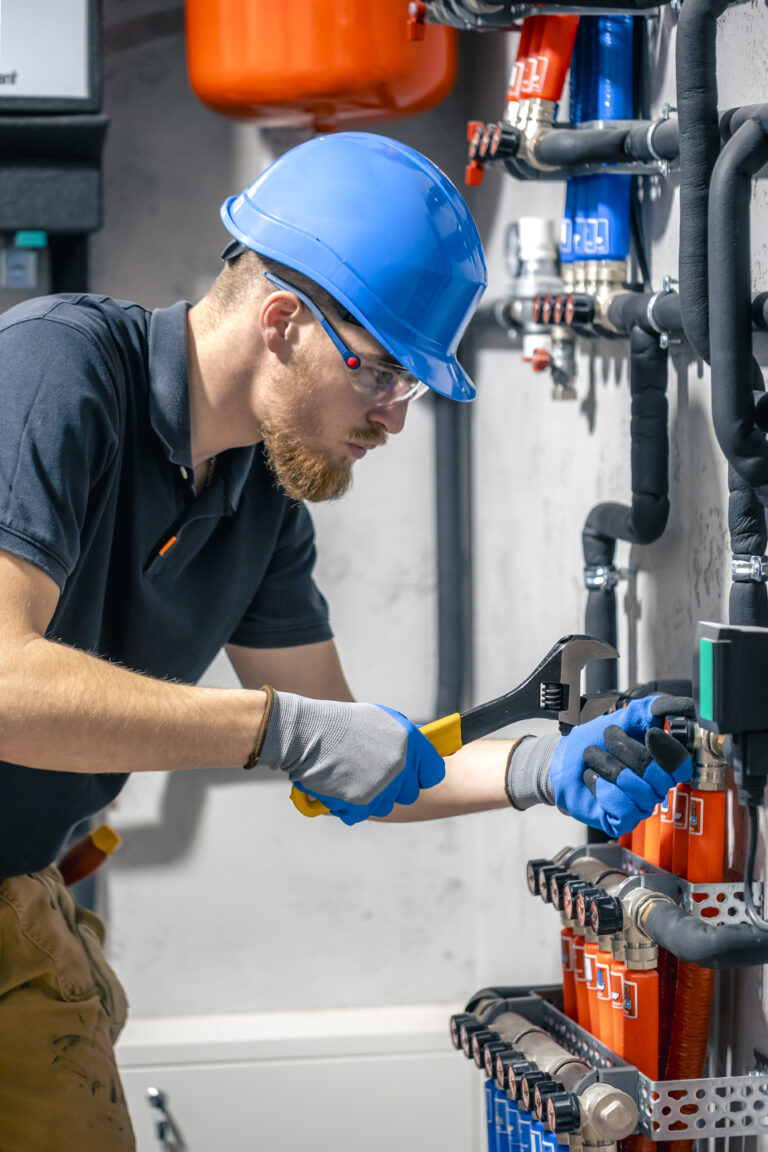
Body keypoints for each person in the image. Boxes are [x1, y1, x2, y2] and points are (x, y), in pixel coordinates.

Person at [0, 132, 692, 1150]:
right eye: (381, 376)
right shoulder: (55, 369)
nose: (393, 420)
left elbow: (342, 757)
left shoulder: (259, 503)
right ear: (282, 321)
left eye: (408, 389)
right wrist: (282, 729)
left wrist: (538, 769)